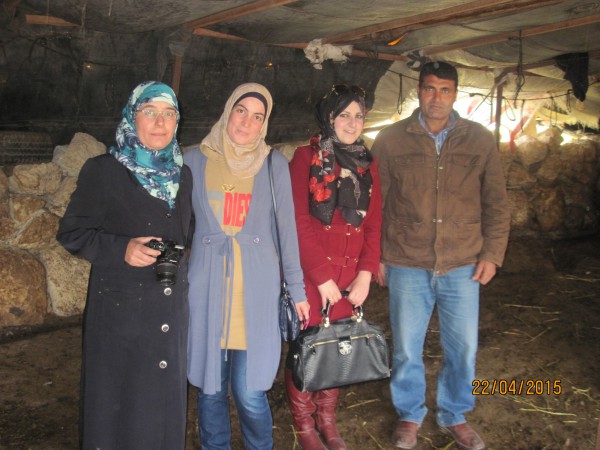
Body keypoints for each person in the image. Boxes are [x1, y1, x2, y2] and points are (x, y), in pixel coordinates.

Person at [371, 61, 510, 450]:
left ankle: (454, 413)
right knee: (406, 347)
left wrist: (492, 254)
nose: (437, 97)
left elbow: (497, 202)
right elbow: (376, 202)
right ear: (418, 91)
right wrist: (375, 256)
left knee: (463, 348)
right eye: (430, 88)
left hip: (462, 261)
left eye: (445, 90)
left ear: (455, 94)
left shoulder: (479, 139)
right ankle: (409, 414)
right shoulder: (390, 139)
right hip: (406, 259)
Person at [56, 81, 193, 449]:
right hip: (120, 321)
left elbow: (186, 231)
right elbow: (72, 232)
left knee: (163, 414)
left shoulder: (183, 174)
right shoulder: (104, 171)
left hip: (169, 314)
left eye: (169, 114)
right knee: (121, 414)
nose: (160, 123)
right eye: (150, 112)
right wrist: (121, 248)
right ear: (133, 117)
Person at [185, 82, 309, 450]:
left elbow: (286, 232)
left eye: (258, 116)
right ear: (228, 111)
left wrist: (298, 290)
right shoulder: (192, 160)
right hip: (207, 289)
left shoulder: (273, 165)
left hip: (255, 293)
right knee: (210, 390)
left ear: (264, 124)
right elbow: (173, 223)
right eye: (241, 111)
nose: (246, 122)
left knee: (250, 392)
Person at [286, 84, 382, 450]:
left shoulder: (368, 163)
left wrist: (366, 274)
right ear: (329, 118)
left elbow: (373, 224)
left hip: (350, 278)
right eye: (344, 115)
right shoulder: (305, 158)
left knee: (340, 345)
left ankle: (326, 419)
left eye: (358, 116)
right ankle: (304, 425)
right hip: (314, 277)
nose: (352, 123)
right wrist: (321, 277)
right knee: (309, 347)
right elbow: (298, 222)